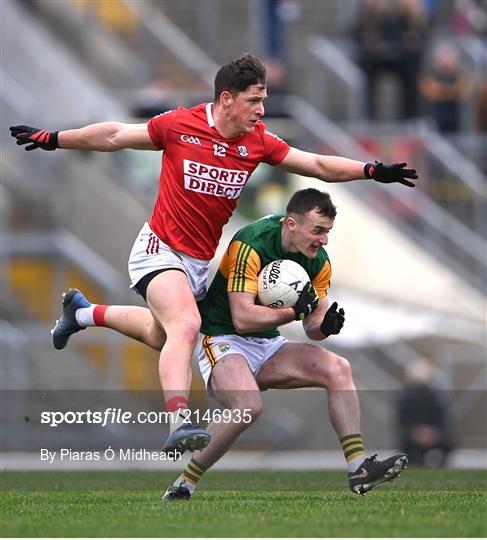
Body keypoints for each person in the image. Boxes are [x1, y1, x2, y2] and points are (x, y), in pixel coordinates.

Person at [9, 54, 417, 456]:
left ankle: (82, 314)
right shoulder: (180, 124)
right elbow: (115, 135)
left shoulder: (257, 142)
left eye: (264, 100)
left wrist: (370, 170)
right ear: (226, 99)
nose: (262, 110)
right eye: (254, 100)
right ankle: (179, 420)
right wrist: (55, 138)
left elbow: (314, 164)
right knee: (186, 324)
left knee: (162, 334)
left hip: (198, 263)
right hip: (159, 248)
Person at [161, 188, 408, 501]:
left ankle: (359, 468)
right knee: (248, 406)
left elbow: (312, 325)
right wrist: (294, 311)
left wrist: (326, 326)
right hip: (223, 338)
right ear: (291, 224)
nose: (323, 240)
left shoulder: (318, 260)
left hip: (268, 344)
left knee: (338, 368)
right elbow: (242, 318)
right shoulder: (251, 243)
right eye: (318, 230)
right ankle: (184, 484)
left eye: (328, 232)